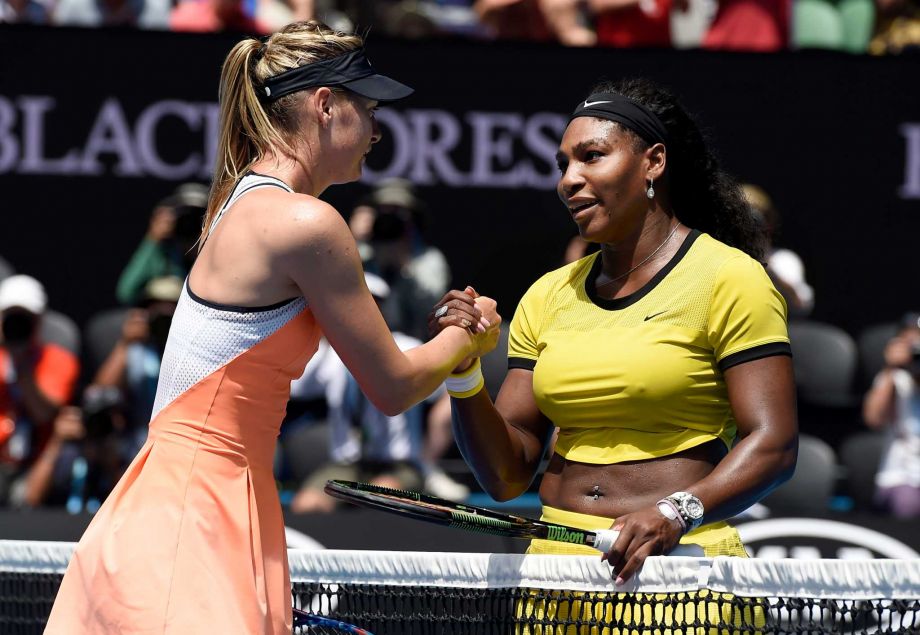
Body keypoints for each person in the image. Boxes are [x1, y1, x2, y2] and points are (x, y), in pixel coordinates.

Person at [45, 20, 499, 635]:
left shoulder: (239, 200)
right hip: (191, 520)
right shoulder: (306, 223)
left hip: (181, 510)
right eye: (366, 107)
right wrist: (467, 337)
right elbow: (392, 388)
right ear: (324, 105)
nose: (376, 128)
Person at [430, 78, 797, 590]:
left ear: (654, 162)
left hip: (682, 569)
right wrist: (464, 373)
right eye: (563, 165)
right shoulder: (547, 294)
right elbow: (507, 475)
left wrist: (676, 512)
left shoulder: (730, 278)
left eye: (592, 156)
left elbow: (774, 444)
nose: (569, 180)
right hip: (555, 568)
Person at [289, 272, 469, 513]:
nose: (359, 312)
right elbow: (288, 385)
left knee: (378, 495)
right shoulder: (329, 355)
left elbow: (452, 389)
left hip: (399, 465)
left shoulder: (407, 347)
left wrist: (429, 453)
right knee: (307, 504)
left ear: (382, 309)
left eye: (371, 303)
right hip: (347, 465)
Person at [0, 275, 80, 505]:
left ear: (39, 322)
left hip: (39, 461)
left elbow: (42, 413)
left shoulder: (59, 360)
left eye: (24, 319)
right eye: (9, 318)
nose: (16, 326)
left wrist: (22, 365)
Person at [862, 312, 920, 518]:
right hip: (903, 478)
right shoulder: (893, 379)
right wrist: (891, 367)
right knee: (907, 503)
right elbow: (873, 419)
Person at [115, 183, 208, 306]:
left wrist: (204, 244)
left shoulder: (214, 250)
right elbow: (126, 293)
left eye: (200, 217)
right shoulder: (163, 252)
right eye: (185, 216)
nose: (190, 223)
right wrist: (152, 239)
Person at [742, 183, 814, 317]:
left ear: (769, 223)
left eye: (755, 218)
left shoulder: (783, 260)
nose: (747, 225)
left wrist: (764, 265)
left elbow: (800, 305)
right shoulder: (713, 257)